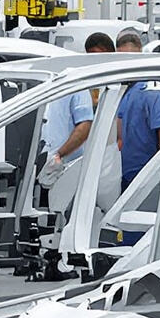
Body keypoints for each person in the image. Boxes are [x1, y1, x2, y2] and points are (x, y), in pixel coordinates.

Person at [38, 31, 116, 199]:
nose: (93, 61)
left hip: (84, 160)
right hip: (61, 163)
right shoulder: (76, 83)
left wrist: (59, 154)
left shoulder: (87, 85)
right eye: (90, 56)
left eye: (97, 55)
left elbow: (85, 125)